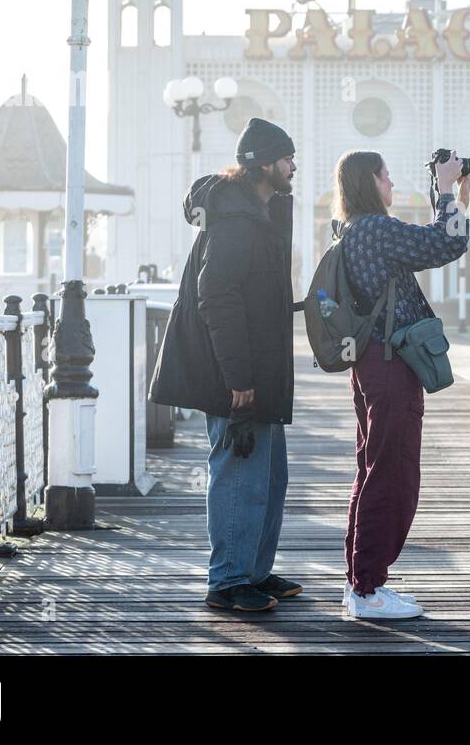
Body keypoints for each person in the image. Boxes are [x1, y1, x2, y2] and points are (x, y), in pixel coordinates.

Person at [150, 118, 303, 613]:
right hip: (238, 375)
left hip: (261, 370)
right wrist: (237, 376)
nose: (293, 167)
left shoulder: (254, 212)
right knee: (240, 473)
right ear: (263, 164)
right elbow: (215, 296)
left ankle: (254, 571)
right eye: (285, 158)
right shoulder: (237, 222)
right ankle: (228, 581)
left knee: (269, 475)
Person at [334, 149, 470, 619]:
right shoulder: (375, 228)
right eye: (386, 176)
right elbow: (444, 246)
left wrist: (449, 195)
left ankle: (360, 580)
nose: (392, 185)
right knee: (391, 472)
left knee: (372, 467)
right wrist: (447, 191)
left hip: (373, 362)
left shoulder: (353, 228)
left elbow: (439, 239)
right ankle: (369, 589)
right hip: (391, 364)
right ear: (368, 183)